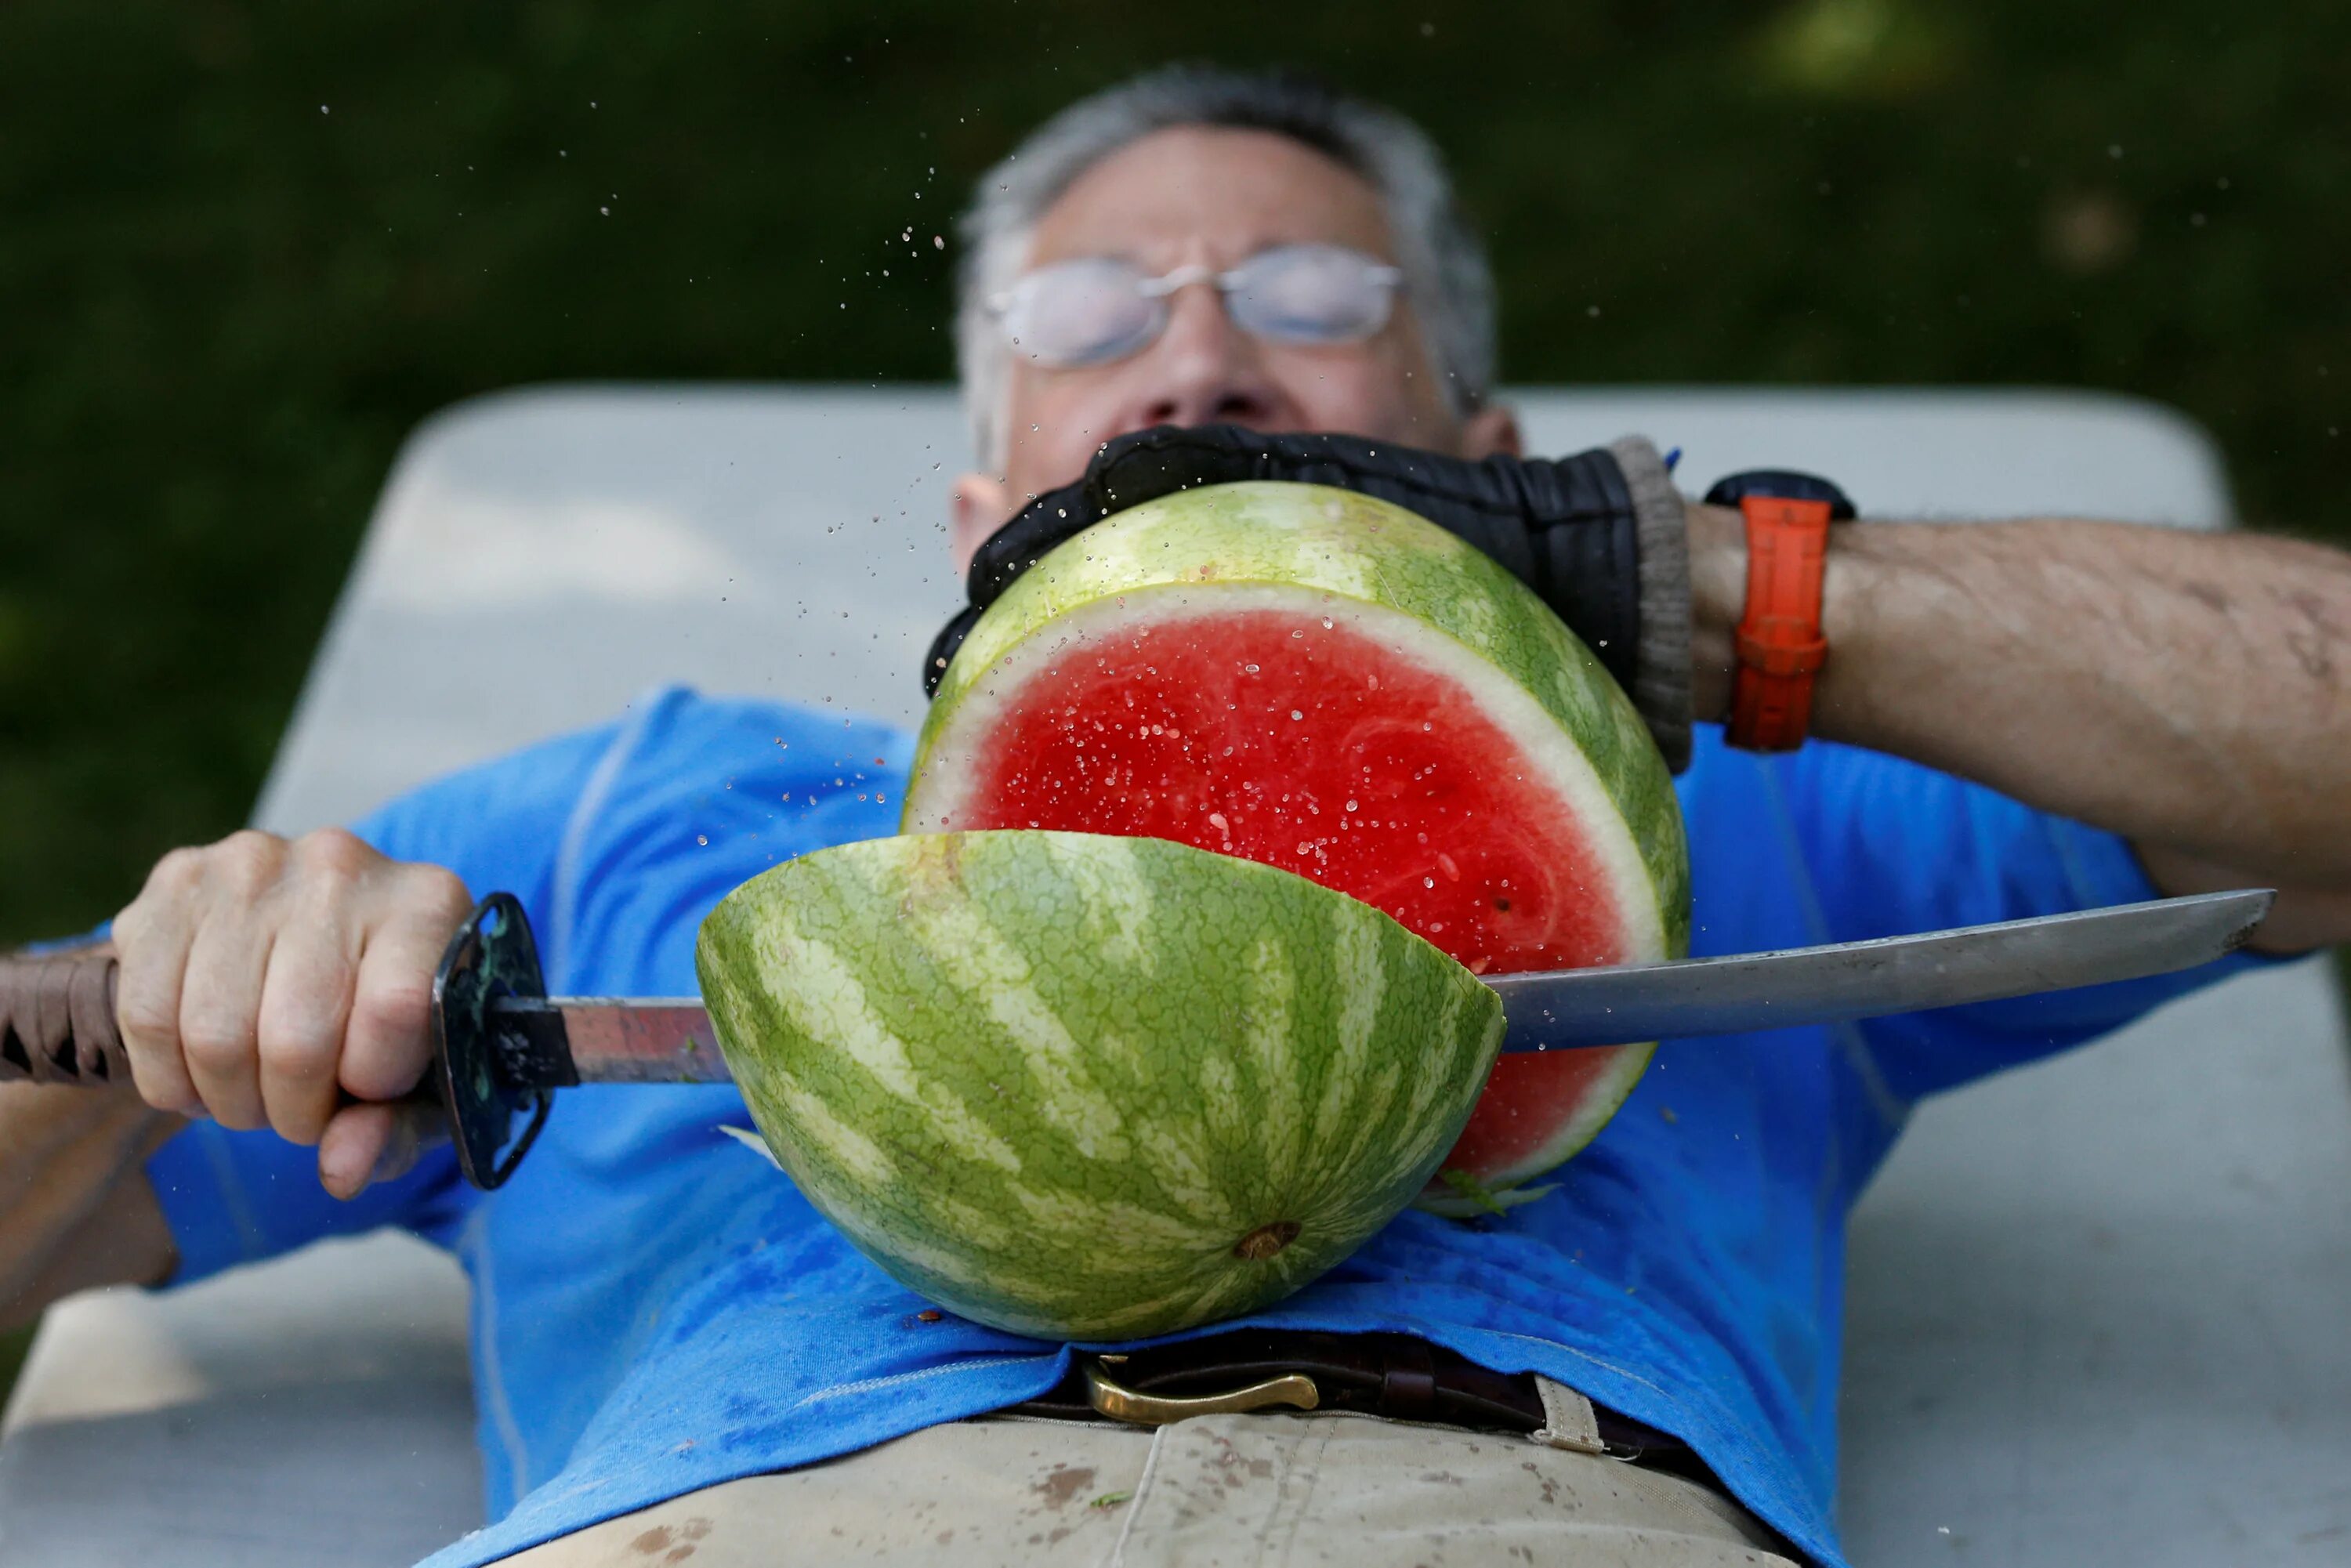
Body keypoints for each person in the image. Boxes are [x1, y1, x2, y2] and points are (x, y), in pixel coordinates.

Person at [5, 65, 2349, 1568]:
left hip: (1517, 1513)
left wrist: (1693, 587)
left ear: (1493, 441)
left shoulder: (1713, 833)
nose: (1206, 348)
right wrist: (192, 982)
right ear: (973, 502)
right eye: (1098, 306)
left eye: (1321, 297)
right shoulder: (626, 818)